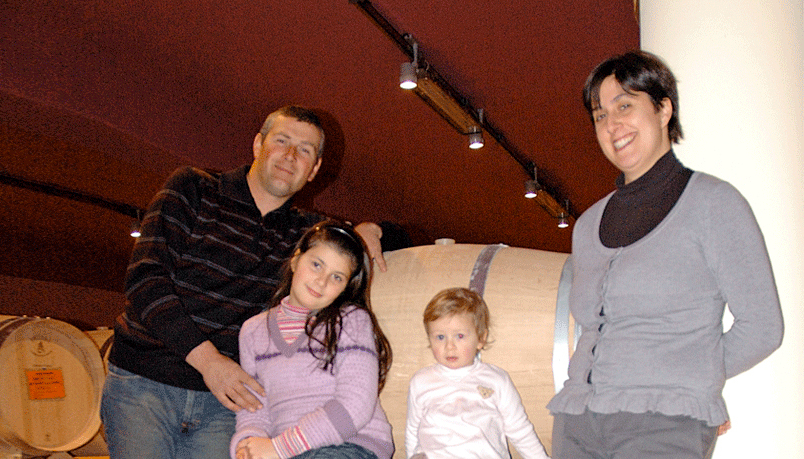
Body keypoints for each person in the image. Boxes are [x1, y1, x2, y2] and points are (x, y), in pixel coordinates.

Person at [101, 105, 396, 459]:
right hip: (146, 382)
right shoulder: (194, 187)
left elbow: (384, 239)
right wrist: (209, 362)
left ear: (314, 169)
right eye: (282, 141)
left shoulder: (305, 234)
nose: (290, 155)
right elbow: (145, 279)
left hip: (228, 403)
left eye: (304, 150)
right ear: (258, 145)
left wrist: (369, 231)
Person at [546, 50, 783, 458]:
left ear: (663, 109)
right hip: (578, 421)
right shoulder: (587, 225)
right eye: (600, 115)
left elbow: (763, 327)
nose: (612, 125)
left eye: (624, 106)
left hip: (664, 424)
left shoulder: (714, 203)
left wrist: (692, 382)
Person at [231, 220, 394, 459]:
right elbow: (253, 406)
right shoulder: (252, 330)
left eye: (337, 277)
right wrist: (247, 445)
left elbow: (356, 403)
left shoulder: (351, 320)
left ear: (346, 287)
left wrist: (280, 448)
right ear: (296, 260)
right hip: (284, 450)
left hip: (351, 443)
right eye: (317, 265)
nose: (322, 281)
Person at [405, 287, 550, 459]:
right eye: (440, 337)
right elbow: (412, 430)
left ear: (481, 338)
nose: (449, 346)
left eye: (459, 336)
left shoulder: (496, 380)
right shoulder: (421, 381)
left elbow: (519, 430)